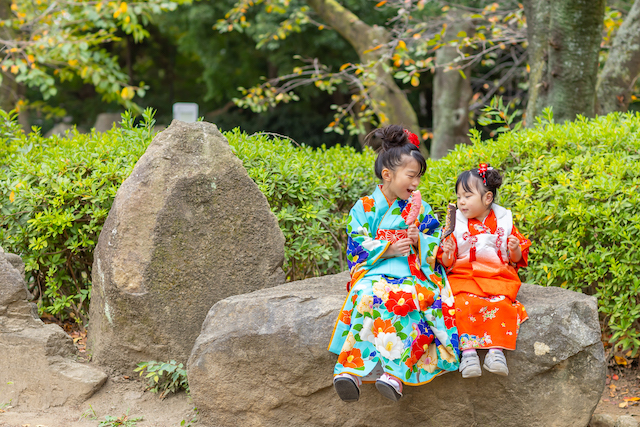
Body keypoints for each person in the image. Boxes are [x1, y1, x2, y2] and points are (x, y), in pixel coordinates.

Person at [327, 125, 459, 403]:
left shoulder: (419, 208)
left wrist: (418, 240)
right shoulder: (364, 206)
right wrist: (387, 249)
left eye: (419, 178)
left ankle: (395, 375)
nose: (416, 184)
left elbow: (437, 237)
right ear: (387, 175)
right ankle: (351, 371)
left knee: (407, 299)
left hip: (411, 271)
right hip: (375, 270)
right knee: (366, 295)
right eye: (411, 176)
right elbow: (356, 239)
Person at [439, 163, 531, 378]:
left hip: (498, 275)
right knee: (461, 304)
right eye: (459, 196)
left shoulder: (504, 221)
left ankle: (495, 352)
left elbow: (516, 260)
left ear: (487, 198)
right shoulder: (455, 224)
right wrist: (448, 252)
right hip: (464, 276)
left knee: (502, 305)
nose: (461, 201)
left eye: (467, 196)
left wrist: (515, 249)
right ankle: (469, 354)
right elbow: (445, 262)